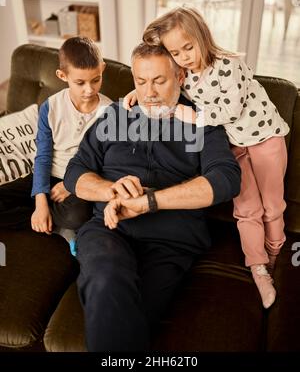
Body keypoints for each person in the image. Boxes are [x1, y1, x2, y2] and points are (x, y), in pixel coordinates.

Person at [63, 42, 241, 351]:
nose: (149, 92)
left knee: (130, 319)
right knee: (106, 280)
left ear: (180, 76)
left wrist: (150, 201)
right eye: (141, 82)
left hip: (170, 240)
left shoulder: (202, 123)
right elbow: (75, 171)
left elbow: (226, 180)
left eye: (159, 80)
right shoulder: (114, 116)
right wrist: (111, 190)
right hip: (110, 227)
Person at [124, 6, 289, 310]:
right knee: (247, 208)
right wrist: (137, 93)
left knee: (272, 205)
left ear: (202, 37)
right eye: (176, 52)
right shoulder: (183, 75)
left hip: (264, 138)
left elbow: (230, 110)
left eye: (188, 47)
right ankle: (258, 267)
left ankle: (276, 253)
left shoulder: (230, 65)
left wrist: (192, 115)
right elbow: (161, 82)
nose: (184, 56)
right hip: (236, 146)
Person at [31, 36, 111, 238]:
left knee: (76, 215)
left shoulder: (110, 111)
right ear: (62, 75)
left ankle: (56, 220)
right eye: (80, 82)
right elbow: (43, 156)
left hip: (82, 180)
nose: (89, 90)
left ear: (102, 68)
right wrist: (40, 200)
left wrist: (71, 186)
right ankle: (43, 211)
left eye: (96, 80)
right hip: (51, 173)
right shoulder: (50, 107)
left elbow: (106, 162)